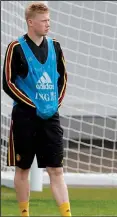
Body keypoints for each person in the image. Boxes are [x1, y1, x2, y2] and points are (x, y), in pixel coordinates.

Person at [3, 2, 71, 217]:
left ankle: (67, 214)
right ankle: (24, 213)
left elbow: (63, 78)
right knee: (22, 169)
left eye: (49, 20)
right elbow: (7, 83)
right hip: (25, 118)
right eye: (44, 21)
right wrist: (32, 105)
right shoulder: (16, 47)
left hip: (51, 118)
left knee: (56, 169)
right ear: (31, 22)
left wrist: (54, 104)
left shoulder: (55, 46)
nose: (48, 24)